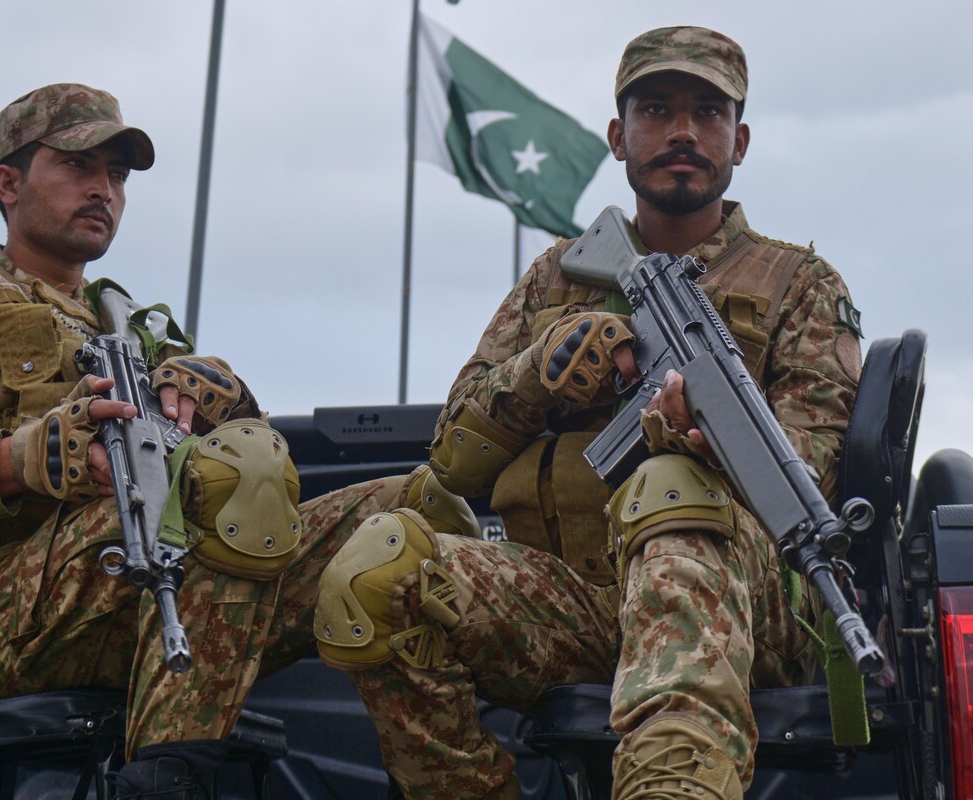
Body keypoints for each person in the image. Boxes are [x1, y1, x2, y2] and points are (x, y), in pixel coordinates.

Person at [0, 83, 478, 798]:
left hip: (146, 586)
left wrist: (223, 396)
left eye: (116, 176)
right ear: (8, 182)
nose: (103, 190)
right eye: (79, 168)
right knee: (211, 493)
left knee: (405, 518)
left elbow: (259, 482)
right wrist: (16, 462)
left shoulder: (128, 329)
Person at [314, 26, 865, 800]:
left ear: (739, 141)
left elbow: (811, 462)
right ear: (618, 136)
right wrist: (543, 372)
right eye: (657, 109)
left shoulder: (800, 283)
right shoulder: (558, 275)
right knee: (381, 576)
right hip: (574, 597)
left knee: (671, 495)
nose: (682, 131)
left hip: (735, 599)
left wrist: (701, 447)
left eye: (708, 113)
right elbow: (453, 453)